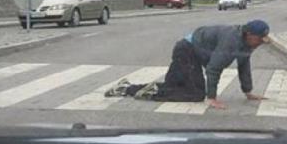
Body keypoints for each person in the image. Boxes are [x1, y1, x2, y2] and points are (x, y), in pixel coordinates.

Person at [105, 19, 271, 109]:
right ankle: (150, 92)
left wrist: (248, 92)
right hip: (186, 51)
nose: (260, 43)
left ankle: (126, 88)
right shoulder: (231, 41)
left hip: (192, 51)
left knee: (173, 86)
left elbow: (244, 64)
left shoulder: (247, 43)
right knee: (196, 94)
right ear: (249, 34)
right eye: (259, 39)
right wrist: (211, 97)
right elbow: (214, 69)